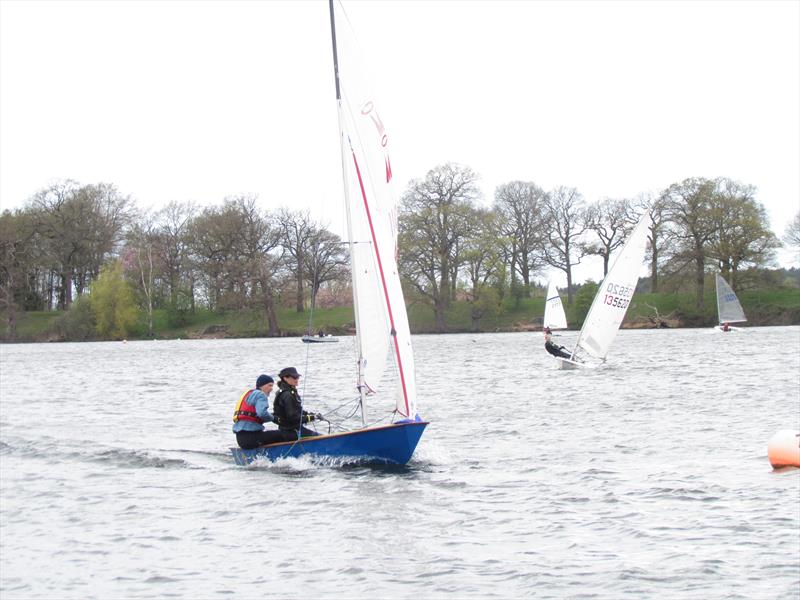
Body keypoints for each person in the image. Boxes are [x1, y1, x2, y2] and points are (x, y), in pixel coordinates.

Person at [232, 374, 286, 449]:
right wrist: (274, 418)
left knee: (268, 435)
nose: (271, 389)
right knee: (282, 435)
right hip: (252, 438)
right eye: (269, 385)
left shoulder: (250, 394)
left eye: (272, 386)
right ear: (261, 386)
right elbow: (262, 413)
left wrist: (271, 416)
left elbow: (254, 415)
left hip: (241, 440)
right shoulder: (261, 395)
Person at [273, 367, 324, 440]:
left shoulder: (289, 391)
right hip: (291, 431)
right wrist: (311, 418)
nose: (296, 379)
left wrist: (310, 414)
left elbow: (296, 410)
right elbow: (293, 418)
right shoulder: (287, 394)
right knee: (320, 438)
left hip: (290, 429)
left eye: (297, 377)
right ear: (285, 378)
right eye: (294, 377)